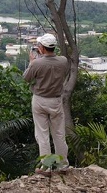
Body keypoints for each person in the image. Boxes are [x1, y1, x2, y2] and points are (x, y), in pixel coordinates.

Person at [23, 33, 70, 175]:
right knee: (59, 134)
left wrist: (32, 62)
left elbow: (26, 78)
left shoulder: (37, 63)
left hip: (40, 100)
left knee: (42, 134)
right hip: (56, 100)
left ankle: (46, 166)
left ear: (42, 48)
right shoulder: (63, 61)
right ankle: (63, 165)